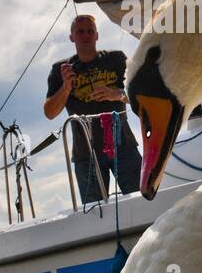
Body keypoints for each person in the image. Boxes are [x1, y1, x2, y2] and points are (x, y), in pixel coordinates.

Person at [44, 14, 142, 204]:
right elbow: (50, 112)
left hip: (123, 146)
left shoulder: (117, 59)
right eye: (80, 31)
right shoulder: (60, 69)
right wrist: (65, 87)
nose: (85, 35)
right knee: (95, 213)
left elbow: (140, 94)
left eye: (90, 31)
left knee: (141, 200)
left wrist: (117, 94)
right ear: (72, 37)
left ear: (97, 35)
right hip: (85, 154)